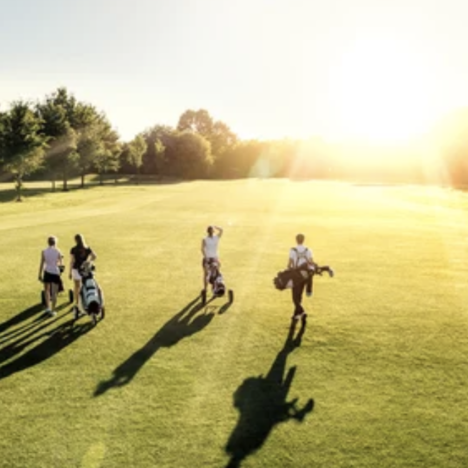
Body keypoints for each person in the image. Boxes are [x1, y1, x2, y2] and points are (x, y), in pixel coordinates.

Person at [287, 234, 314, 321]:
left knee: (295, 296)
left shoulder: (292, 250)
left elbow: (289, 264)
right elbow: (311, 262)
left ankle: (302, 311)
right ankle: (296, 314)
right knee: (299, 295)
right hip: (305, 275)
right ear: (303, 240)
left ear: (296, 240)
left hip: (296, 275)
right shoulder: (308, 250)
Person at [69, 234, 97, 315]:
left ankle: (77, 303)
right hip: (85, 269)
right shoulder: (87, 248)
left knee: (77, 287)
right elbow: (94, 256)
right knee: (84, 286)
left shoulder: (73, 249)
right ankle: (85, 301)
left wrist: (69, 272)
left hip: (76, 269)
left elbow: (72, 261)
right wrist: (88, 262)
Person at [38, 236, 63, 317]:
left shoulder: (44, 251)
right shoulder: (58, 251)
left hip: (47, 272)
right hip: (55, 272)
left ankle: (48, 307)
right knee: (54, 292)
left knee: (46, 291)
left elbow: (42, 263)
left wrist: (39, 274)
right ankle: (52, 310)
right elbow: (60, 264)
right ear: (55, 242)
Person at [201, 225, 223, 291]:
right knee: (216, 273)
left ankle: (205, 288)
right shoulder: (216, 237)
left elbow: (202, 249)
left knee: (206, 274)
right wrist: (216, 226)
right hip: (214, 258)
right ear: (213, 231)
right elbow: (221, 230)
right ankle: (214, 287)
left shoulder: (205, 239)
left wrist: (205, 257)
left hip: (208, 258)